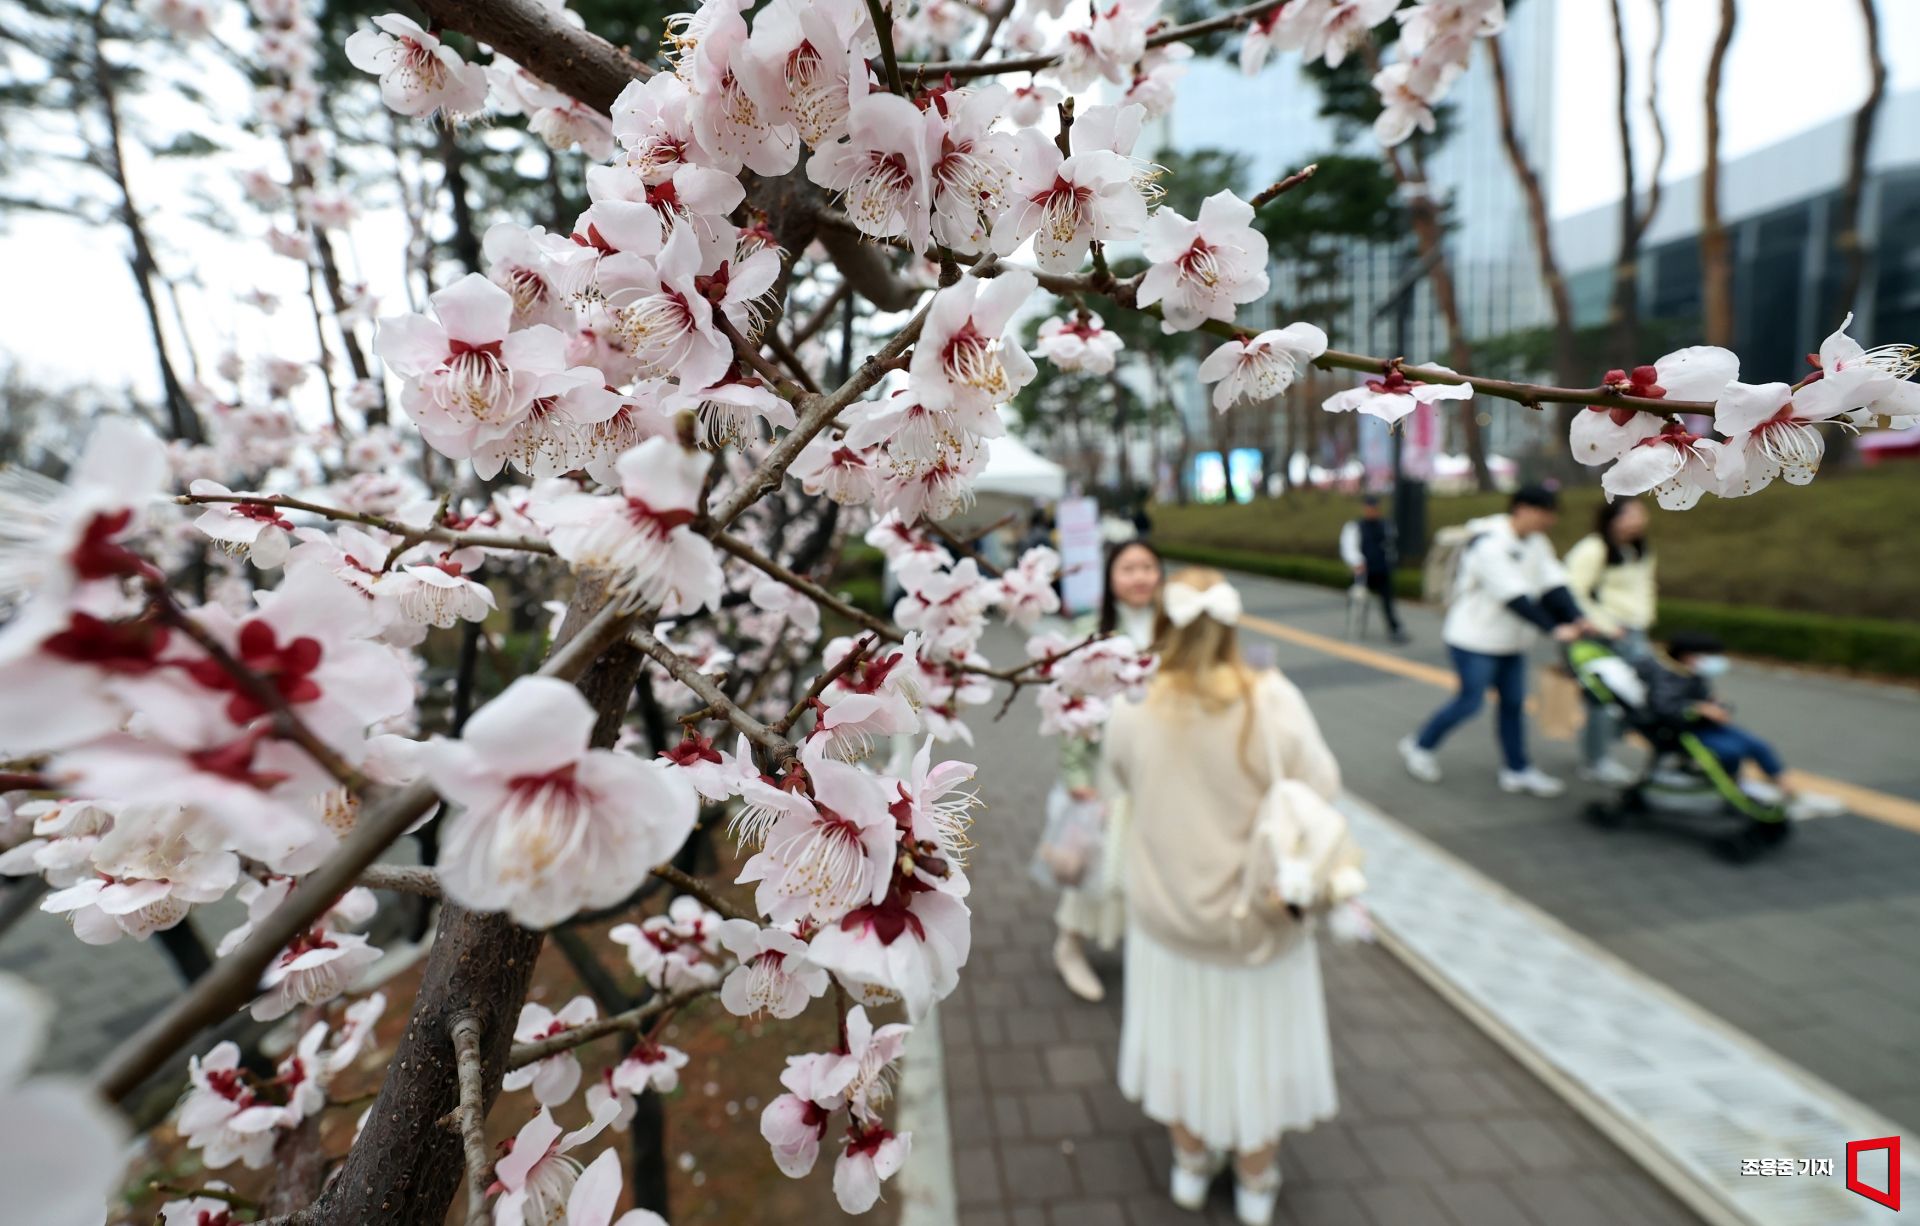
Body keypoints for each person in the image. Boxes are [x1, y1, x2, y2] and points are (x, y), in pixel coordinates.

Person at [1099, 568, 1340, 1226]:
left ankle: (1188, 1166)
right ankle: (1257, 1182)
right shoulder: (1273, 700)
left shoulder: (1133, 704)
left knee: (1182, 1043)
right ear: (1234, 626)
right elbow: (1322, 785)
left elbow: (1118, 776)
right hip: (1258, 921)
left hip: (1168, 918)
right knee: (1257, 1048)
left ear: (1164, 626)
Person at [1399, 486, 1591, 797]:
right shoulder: (1488, 543)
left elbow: (1554, 583)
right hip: (1474, 640)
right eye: (1545, 513)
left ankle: (1517, 769)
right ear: (1522, 508)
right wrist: (1556, 629)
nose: (1550, 521)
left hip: (1511, 644)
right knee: (1470, 702)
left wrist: (1577, 617)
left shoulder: (1537, 542)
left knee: (1513, 705)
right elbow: (1514, 597)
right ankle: (1420, 746)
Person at [1048, 539, 1164, 1002]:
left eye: (1148, 567)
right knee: (1096, 862)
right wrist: (1075, 775)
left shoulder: (1171, 628)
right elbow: (1068, 702)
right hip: (1105, 768)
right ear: (1111, 578)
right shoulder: (1090, 630)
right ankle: (1069, 944)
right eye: (1128, 568)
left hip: (1157, 770)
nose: (1139, 577)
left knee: (1145, 865)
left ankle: (1143, 946)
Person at [1637, 631, 1841, 818]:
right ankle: (1740, 793)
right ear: (1688, 655)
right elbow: (1663, 707)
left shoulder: (1692, 673)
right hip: (1683, 731)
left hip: (1708, 726)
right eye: (1709, 656)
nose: (1714, 662)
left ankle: (1791, 794)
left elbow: (1708, 698)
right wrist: (1699, 708)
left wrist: (1719, 705)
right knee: (1731, 752)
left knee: (1759, 746)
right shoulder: (1665, 675)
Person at [1564, 497, 1657, 784]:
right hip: (1603, 637)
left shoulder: (1639, 549)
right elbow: (1572, 591)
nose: (1638, 520)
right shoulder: (1593, 549)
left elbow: (1647, 586)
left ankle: (1597, 746)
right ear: (1612, 518)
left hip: (1634, 633)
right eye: (1630, 514)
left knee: (1641, 696)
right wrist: (1605, 625)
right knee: (1604, 701)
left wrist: (1645, 620)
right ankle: (1595, 761)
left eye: (1641, 514)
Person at [1338, 495, 1407, 643]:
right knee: (1357, 600)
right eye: (1369, 508)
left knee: (1387, 602)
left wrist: (1391, 562)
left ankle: (1394, 629)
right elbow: (1349, 547)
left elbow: (1391, 546)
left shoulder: (1386, 525)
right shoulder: (1355, 526)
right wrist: (1356, 562)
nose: (1372, 511)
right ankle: (1355, 628)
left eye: (1374, 508)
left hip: (1381, 569)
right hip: (1363, 572)